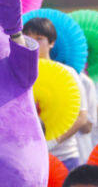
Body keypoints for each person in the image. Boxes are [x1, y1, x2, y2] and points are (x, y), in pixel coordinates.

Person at [24, 17, 90, 171]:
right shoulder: (19, 73)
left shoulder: (68, 73)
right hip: (29, 156)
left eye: (39, 39)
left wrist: (54, 142)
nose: (33, 43)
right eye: (28, 38)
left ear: (51, 43)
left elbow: (82, 117)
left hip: (64, 156)